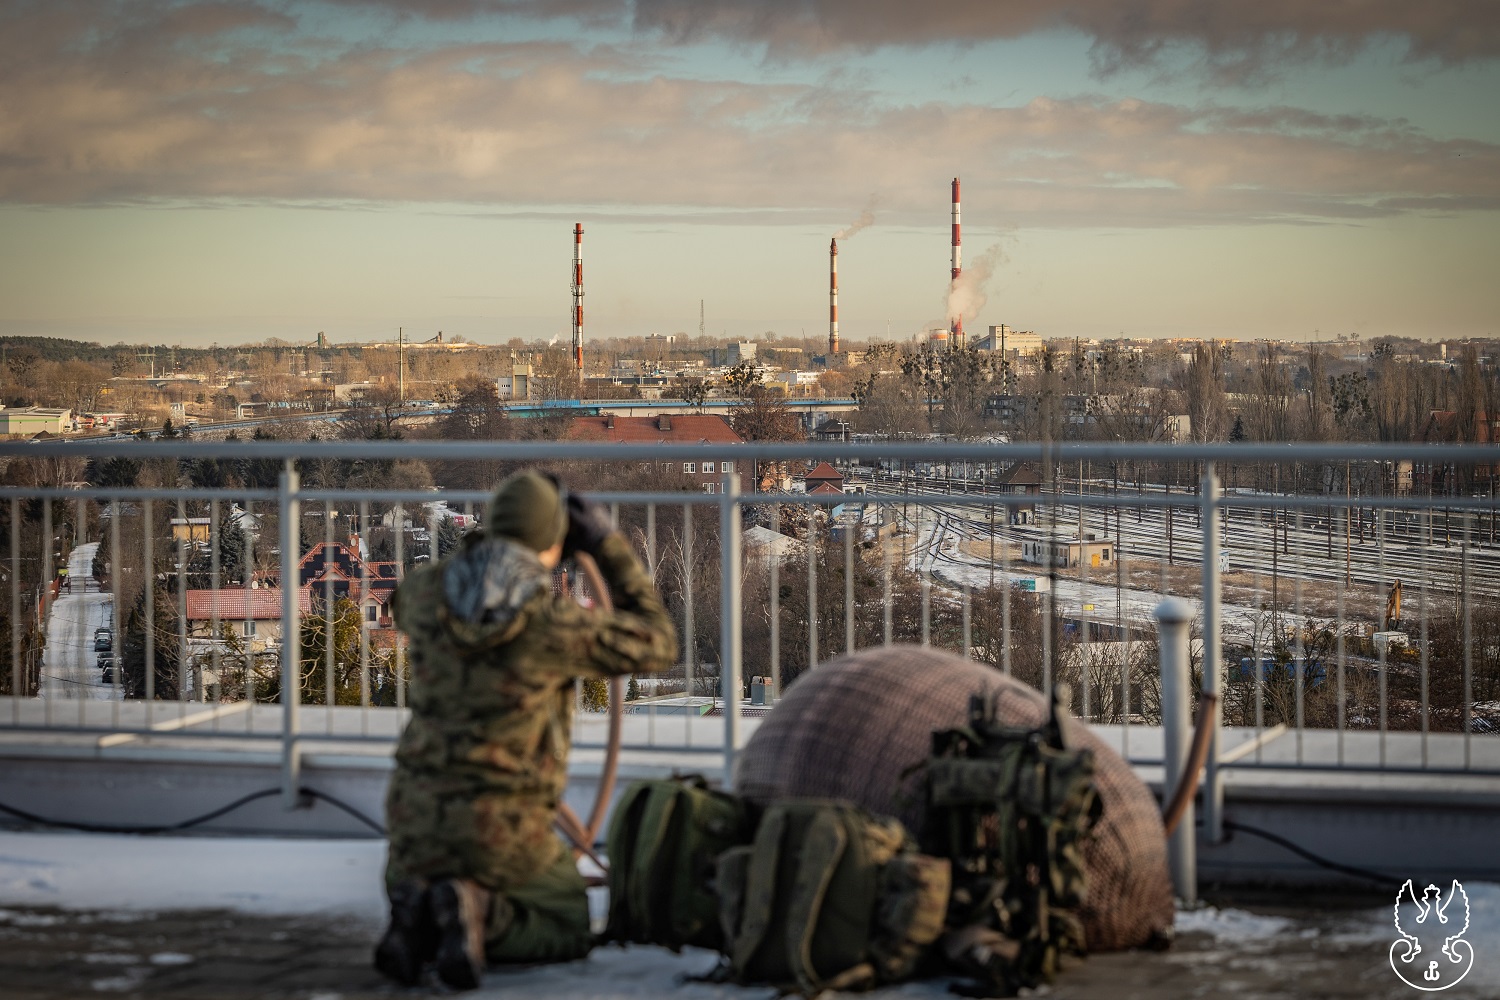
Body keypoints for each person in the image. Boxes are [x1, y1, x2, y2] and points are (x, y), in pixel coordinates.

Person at [373, 470, 677, 989]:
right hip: (502, 829)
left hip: (411, 825)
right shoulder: (552, 625)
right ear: (554, 541)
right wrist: (605, 545)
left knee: (433, 872)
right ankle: (481, 912)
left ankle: (420, 914)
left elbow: (409, 599)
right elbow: (658, 642)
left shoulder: (425, 597)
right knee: (564, 921)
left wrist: (484, 547)